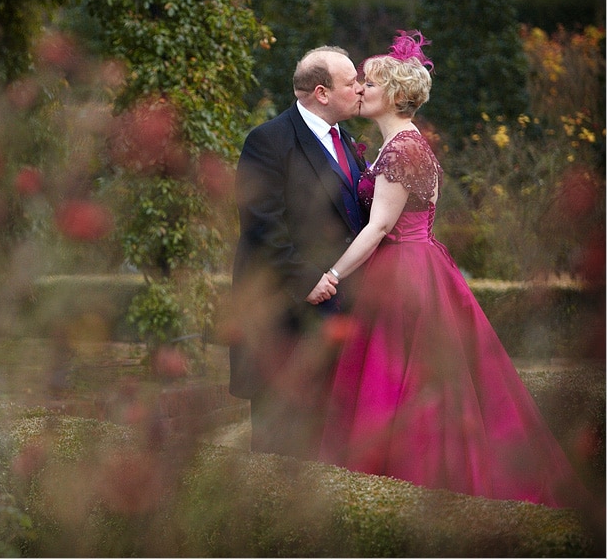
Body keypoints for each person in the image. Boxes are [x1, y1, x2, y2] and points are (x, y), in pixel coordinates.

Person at [311, 30, 586, 508]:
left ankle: (408, 486)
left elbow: (378, 229)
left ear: (394, 94)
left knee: (402, 381)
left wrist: (330, 276)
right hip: (415, 267)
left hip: (405, 273)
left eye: (369, 84)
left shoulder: (402, 151)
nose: (360, 90)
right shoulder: (398, 146)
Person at [228, 46, 368, 459]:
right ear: (322, 93)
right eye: (351, 83)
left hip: (336, 315)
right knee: (280, 444)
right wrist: (304, 278)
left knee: (330, 441)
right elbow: (260, 221)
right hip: (283, 316)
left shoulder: (347, 139)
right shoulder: (268, 140)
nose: (360, 88)